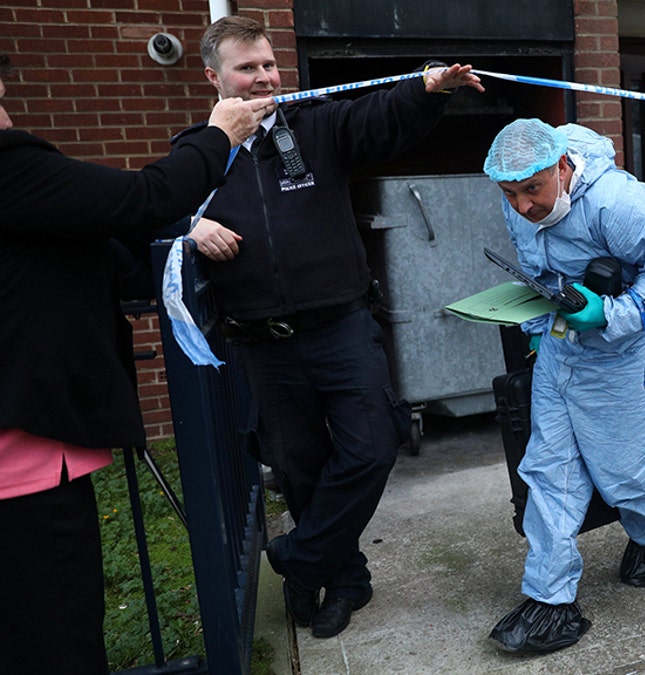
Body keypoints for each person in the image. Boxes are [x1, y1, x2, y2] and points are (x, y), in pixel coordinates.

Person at [178, 16, 484, 639]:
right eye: (247, 68)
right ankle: (344, 581)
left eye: (268, 64)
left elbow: (380, 117)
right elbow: (156, 207)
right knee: (299, 467)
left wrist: (429, 89)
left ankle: (300, 558)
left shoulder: (315, 125)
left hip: (341, 327)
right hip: (261, 343)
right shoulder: (199, 151)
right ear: (214, 77)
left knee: (372, 445)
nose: (264, 77)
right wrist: (190, 227)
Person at [0, 51, 270, 675]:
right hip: (23, 470)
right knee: (60, 638)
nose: (10, 117)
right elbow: (140, 197)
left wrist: (181, 236)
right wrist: (218, 136)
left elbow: (81, 229)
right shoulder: (5, 168)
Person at [482, 118, 645, 653]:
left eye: (532, 189)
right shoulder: (517, 208)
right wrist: (536, 328)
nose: (523, 206)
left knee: (626, 475)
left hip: (623, 359)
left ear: (561, 167)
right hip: (560, 354)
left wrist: (611, 313)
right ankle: (551, 601)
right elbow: (537, 274)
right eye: (510, 194)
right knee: (548, 472)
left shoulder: (618, 204)